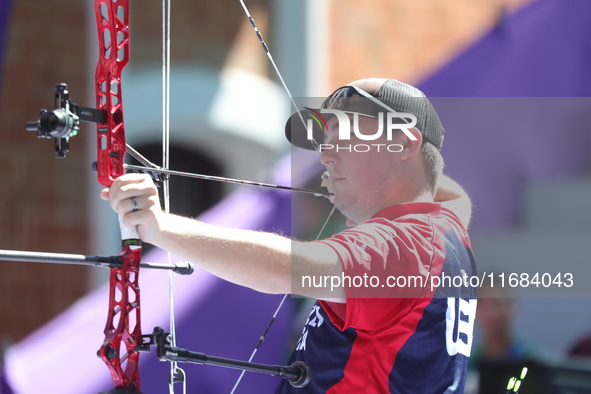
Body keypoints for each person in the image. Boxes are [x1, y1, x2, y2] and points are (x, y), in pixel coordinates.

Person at [101, 78, 477, 393]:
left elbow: (283, 269)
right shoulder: (446, 230)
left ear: (406, 143)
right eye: (324, 140)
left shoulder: (404, 244)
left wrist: (161, 227)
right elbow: (452, 194)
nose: (326, 156)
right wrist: (397, 178)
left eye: (344, 135)